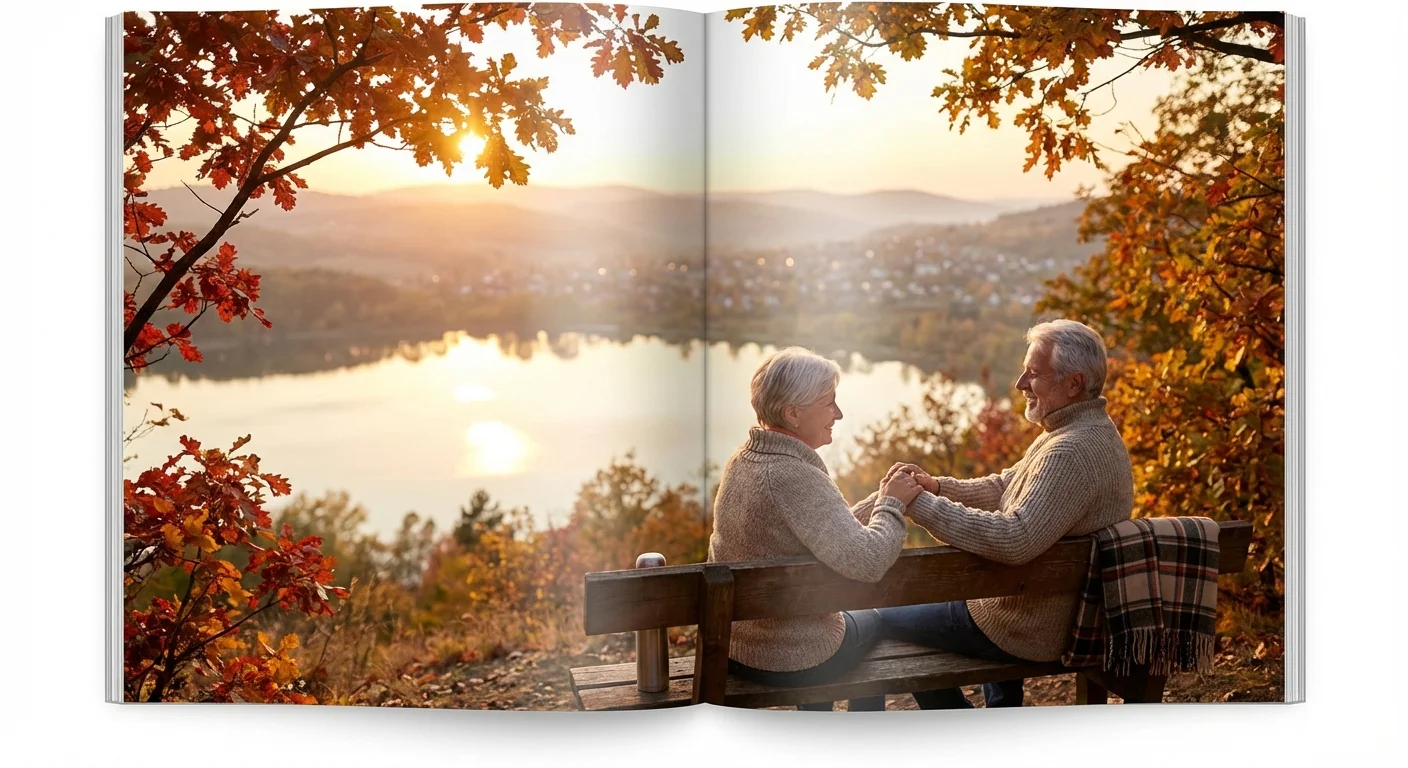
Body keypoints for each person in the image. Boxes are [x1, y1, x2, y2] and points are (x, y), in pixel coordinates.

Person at [880, 319, 1134, 709]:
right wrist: (937, 487)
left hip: (1025, 627)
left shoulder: (1070, 452)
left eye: (1034, 373)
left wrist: (920, 505)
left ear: (1074, 383)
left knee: (880, 620)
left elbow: (1015, 539)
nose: (1020, 383)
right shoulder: (1080, 432)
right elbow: (1004, 488)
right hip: (1032, 608)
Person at [708, 346, 921, 711]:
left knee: (852, 628)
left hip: (735, 645)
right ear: (793, 413)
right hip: (788, 656)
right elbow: (868, 562)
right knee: (879, 622)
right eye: (829, 403)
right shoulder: (793, 474)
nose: (838, 414)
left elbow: (823, 528)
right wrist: (893, 505)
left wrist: (880, 499)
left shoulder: (743, 461)